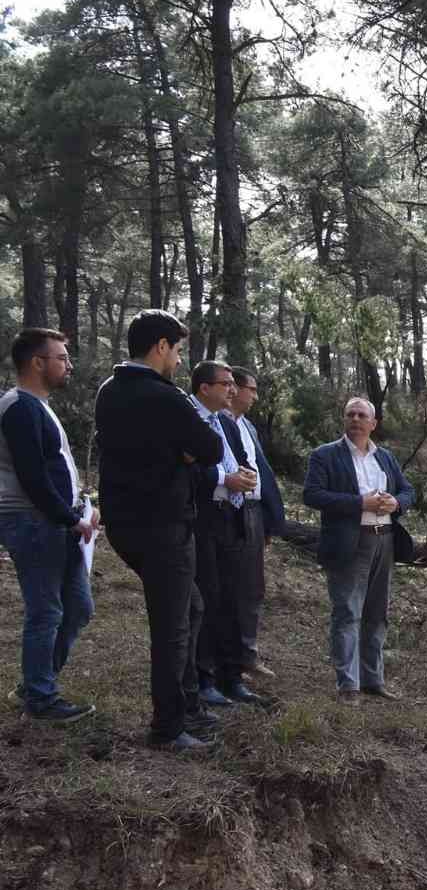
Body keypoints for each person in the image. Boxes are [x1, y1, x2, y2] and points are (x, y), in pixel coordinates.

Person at [95, 309, 225, 752]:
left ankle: (188, 706)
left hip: (125, 525)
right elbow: (209, 447)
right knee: (172, 626)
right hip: (164, 526)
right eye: (178, 351)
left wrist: (178, 451)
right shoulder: (166, 397)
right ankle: (167, 728)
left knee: (190, 609)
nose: (180, 362)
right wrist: (183, 453)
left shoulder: (108, 391)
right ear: (161, 347)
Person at [0, 328, 96, 724]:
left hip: (54, 520)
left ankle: (34, 684)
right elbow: (33, 476)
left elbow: (52, 470)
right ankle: (40, 698)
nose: (69, 365)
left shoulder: (36, 404)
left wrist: (80, 504)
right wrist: (70, 518)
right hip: (33, 522)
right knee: (47, 612)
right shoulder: (18, 406)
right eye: (61, 357)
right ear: (37, 362)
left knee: (78, 608)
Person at [303, 397, 415, 700]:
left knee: (377, 613)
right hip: (348, 541)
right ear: (344, 420)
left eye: (361, 415)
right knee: (347, 612)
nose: (355, 419)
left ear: (373, 423)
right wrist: (360, 503)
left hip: (385, 539)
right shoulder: (325, 455)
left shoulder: (385, 457)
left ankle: (373, 680)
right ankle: (348, 685)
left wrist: (396, 503)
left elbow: (408, 490)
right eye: (350, 414)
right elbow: (312, 495)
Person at [188, 361, 265, 709]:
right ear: (205, 388)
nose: (233, 390)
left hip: (232, 518)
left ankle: (230, 676)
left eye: (235, 384)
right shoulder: (188, 418)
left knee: (234, 599)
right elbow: (185, 470)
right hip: (201, 519)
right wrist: (224, 480)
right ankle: (204, 679)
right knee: (208, 600)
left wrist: (244, 477)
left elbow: (244, 461)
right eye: (226, 384)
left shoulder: (226, 422)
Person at [227, 368, 285, 679]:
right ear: (233, 388)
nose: (255, 396)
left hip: (253, 513)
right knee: (227, 587)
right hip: (227, 513)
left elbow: (262, 472)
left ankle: (246, 655)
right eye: (252, 389)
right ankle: (228, 660)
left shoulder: (248, 426)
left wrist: (269, 519)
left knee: (252, 587)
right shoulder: (216, 423)